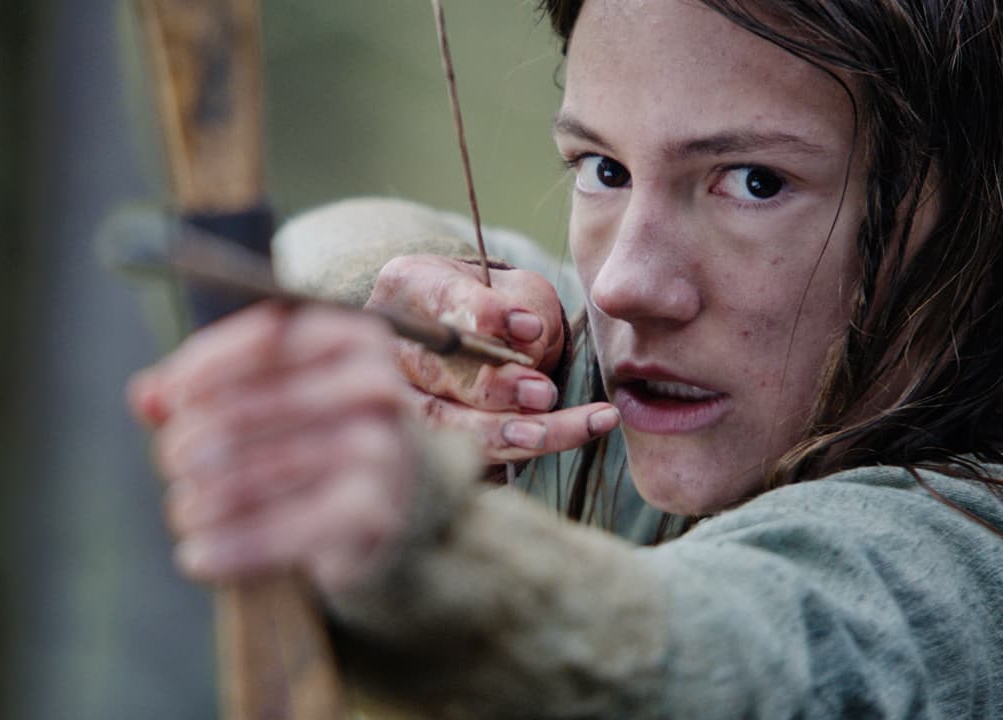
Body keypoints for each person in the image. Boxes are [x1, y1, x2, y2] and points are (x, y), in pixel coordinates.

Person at [128, 0, 1003, 716]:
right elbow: (329, 245)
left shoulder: (968, 550)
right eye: (603, 169)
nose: (622, 286)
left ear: (973, 216)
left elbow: (739, 655)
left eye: (754, 181)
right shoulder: (654, 402)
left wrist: (423, 546)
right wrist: (392, 307)